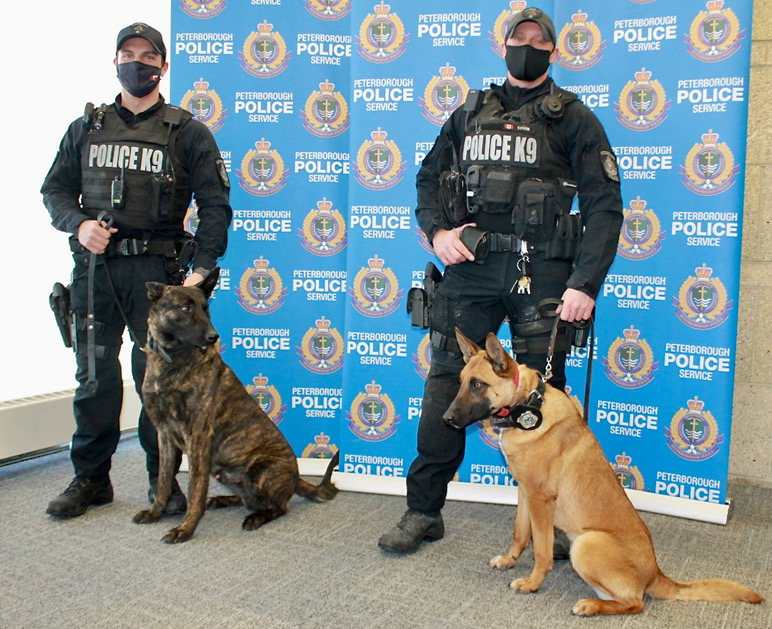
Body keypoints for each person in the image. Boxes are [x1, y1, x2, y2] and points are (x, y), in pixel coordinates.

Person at [378, 7, 623, 554]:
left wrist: (585, 283)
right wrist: (438, 232)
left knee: (546, 402)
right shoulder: (468, 112)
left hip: (546, 277)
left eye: (539, 40)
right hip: (471, 268)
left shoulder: (574, 118)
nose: (528, 46)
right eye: (520, 37)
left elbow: (606, 205)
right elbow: (425, 177)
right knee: (447, 385)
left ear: (553, 51)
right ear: (504, 44)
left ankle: (556, 522)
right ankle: (423, 512)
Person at [41, 23, 232, 518]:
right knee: (94, 379)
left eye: (148, 56)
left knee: (158, 383)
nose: (138, 63)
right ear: (115, 62)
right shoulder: (86, 127)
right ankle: (90, 479)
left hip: (158, 276)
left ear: (163, 66)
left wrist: (203, 270)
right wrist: (80, 225)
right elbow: (54, 191)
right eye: (128, 54)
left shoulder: (188, 131)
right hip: (95, 272)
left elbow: (215, 206)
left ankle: (161, 482)